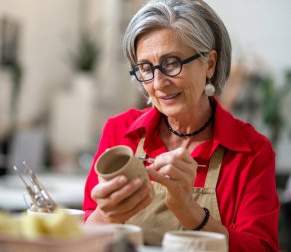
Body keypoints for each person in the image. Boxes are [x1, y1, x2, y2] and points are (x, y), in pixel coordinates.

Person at [82, 0, 280, 251]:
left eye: (172, 63)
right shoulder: (120, 132)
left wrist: (191, 213)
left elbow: (261, 248)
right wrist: (108, 215)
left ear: (209, 64)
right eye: (145, 68)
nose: (158, 82)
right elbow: (84, 237)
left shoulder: (251, 151)